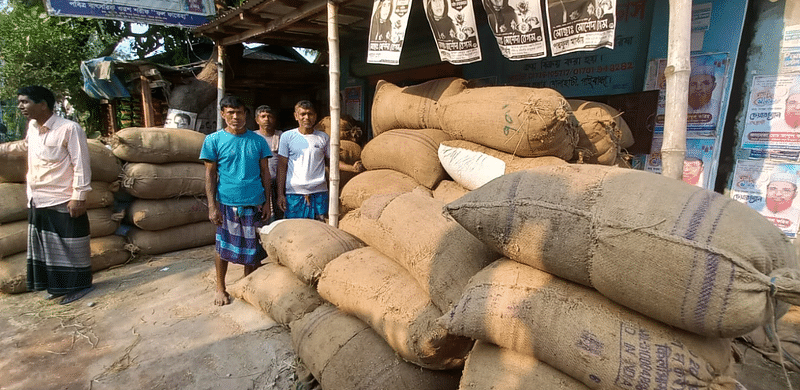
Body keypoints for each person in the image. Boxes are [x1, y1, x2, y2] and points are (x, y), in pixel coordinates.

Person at [0, 86, 94, 304]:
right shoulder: (33, 127)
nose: (20, 106)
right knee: (49, 249)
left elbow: (81, 164)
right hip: (38, 197)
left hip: (62, 197)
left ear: (42, 104)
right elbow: (26, 146)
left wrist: (78, 196)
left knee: (72, 246)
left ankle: (81, 285)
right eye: (20, 101)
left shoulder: (69, 129)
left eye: (25, 102)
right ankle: (59, 286)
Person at [200, 95, 272, 306]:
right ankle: (220, 288)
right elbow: (210, 175)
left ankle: (248, 286)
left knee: (253, 250)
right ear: (223, 114)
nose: (236, 117)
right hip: (227, 203)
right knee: (223, 248)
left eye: (240, 112)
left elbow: (265, 173)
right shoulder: (213, 140)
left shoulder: (258, 141)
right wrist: (212, 206)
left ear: (246, 115)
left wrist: (267, 202)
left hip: (255, 202)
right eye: (230, 112)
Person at [277, 101, 330, 221]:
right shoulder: (287, 136)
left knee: (320, 231)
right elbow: (281, 167)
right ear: (296, 116)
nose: (306, 117)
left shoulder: (323, 137)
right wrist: (280, 194)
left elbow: (333, 162)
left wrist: (352, 168)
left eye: (310, 114)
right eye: (303, 114)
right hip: (294, 194)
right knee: (295, 232)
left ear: (315, 116)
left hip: (319, 193)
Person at [254, 105, 283, 221]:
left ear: (275, 119)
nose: (266, 119)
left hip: (278, 180)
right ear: (257, 120)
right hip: (260, 180)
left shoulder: (281, 136)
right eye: (263, 116)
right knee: (261, 212)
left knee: (279, 211)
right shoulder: (253, 137)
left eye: (270, 116)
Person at [757, 171, 800, 236]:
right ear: (767, 190)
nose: (778, 194)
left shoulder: (797, 214)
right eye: (773, 189)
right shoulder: (754, 210)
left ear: (795, 194)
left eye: (786, 190)